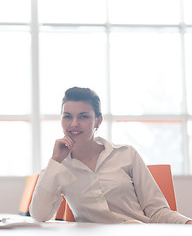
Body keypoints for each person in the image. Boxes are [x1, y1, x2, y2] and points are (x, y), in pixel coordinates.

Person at [29, 86, 192, 224]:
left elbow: (156, 211)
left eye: (83, 116)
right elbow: (39, 215)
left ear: (98, 121)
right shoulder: (59, 167)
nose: (74, 124)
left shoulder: (126, 154)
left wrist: (187, 223)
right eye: (68, 117)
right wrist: (55, 160)